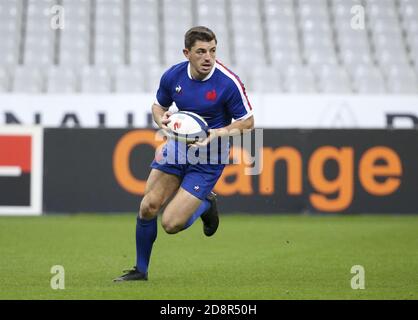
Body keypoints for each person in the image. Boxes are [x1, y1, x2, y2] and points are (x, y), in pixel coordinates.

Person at [114, 26, 254, 281]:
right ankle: (140, 270)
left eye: (212, 50)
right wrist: (161, 120)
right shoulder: (173, 76)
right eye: (201, 51)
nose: (208, 57)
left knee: (171, 224)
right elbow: (158, 107)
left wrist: (217, 133)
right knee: (148, 206)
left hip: (209, 158)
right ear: (187, 53)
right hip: (176, 148)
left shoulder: (227, 82)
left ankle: (205, 204)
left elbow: (247, 122)